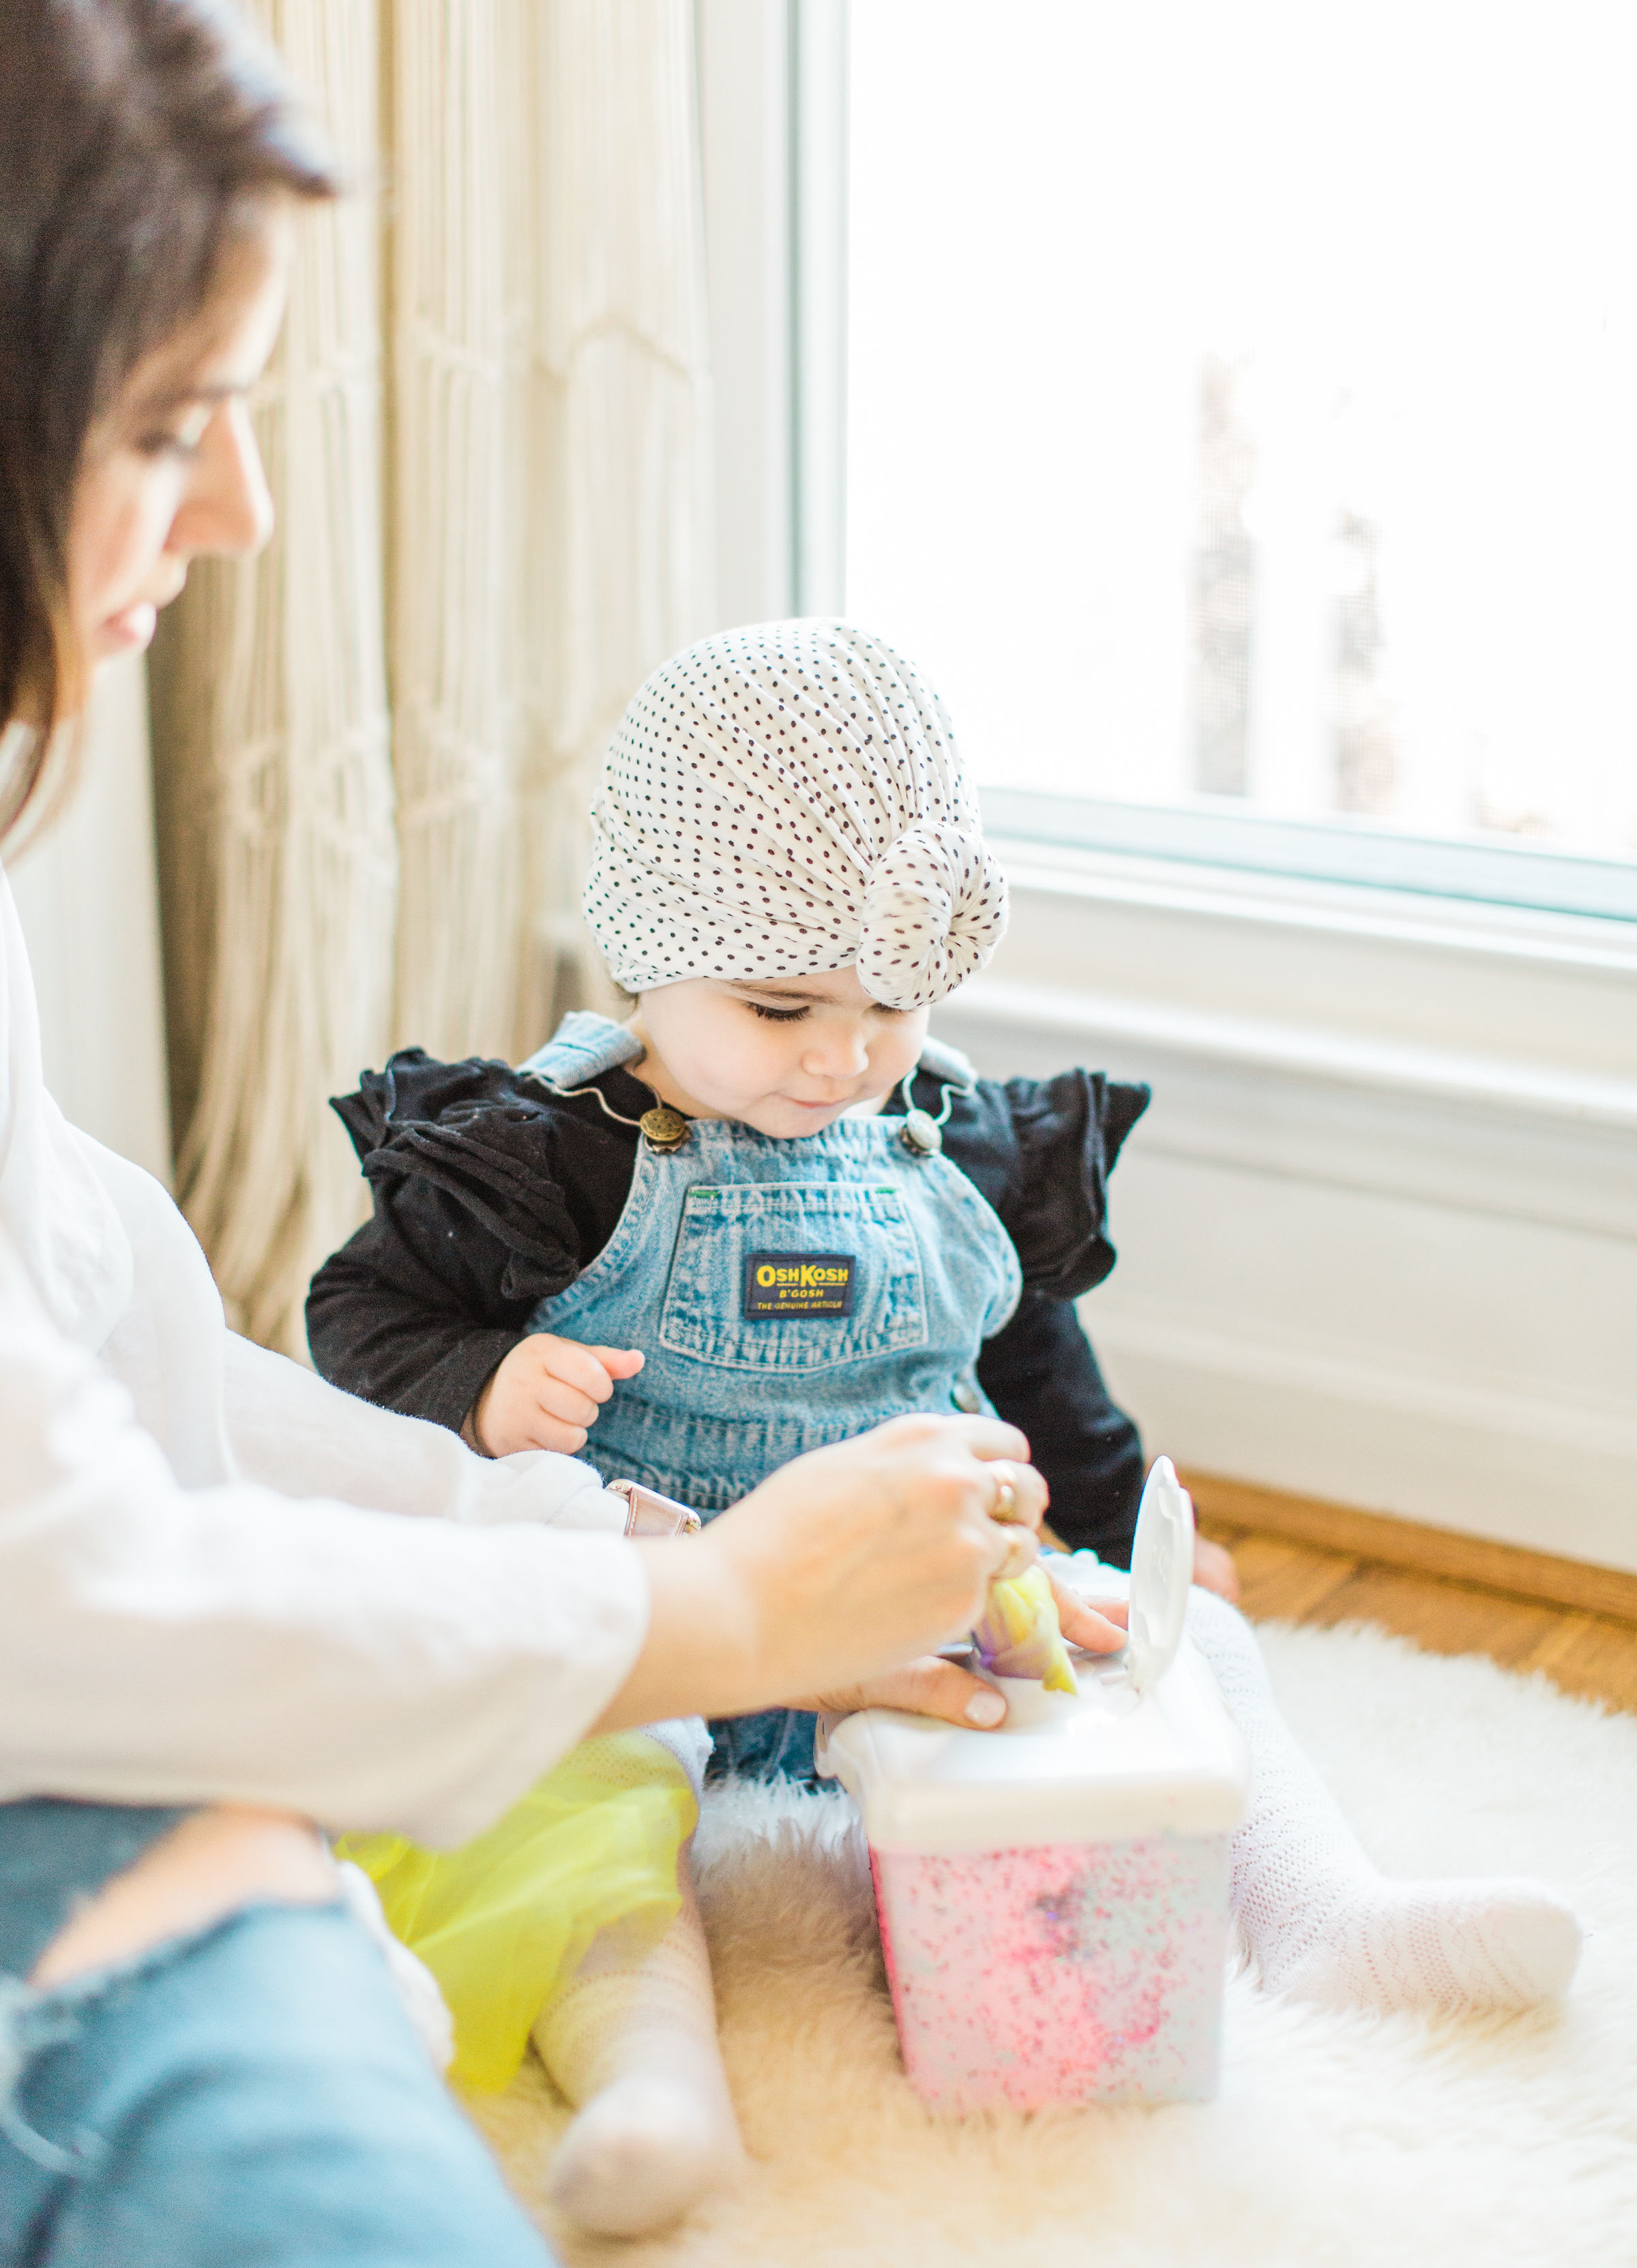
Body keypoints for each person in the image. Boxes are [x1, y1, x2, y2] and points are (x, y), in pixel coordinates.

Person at [0, 0, 1065, 2268]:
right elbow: (76, 1579)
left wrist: (586, 1553)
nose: (248, 513)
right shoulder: (550, 1149)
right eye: (172, 427)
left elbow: (100, 1354)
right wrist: (696, 1622)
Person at [308, 621, 1585, 2230]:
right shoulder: (552, 1154)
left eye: (891, 1004)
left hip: (926, 1605)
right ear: (646, 959)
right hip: (664, 1619)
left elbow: (1041, 1368)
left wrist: (1122, 1549)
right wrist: (483, 1392)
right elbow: (352, 1324)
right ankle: (654, 2071)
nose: (843, 1057)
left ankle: (1324, 1912)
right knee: (577, 1801)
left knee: (1184, 1661)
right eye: (781, 1010)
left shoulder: (941, 1135)